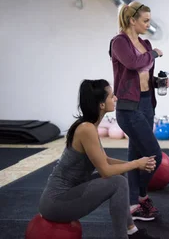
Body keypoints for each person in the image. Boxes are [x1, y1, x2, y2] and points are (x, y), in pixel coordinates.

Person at [38, 79, 158, 239]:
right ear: (101, 105)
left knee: (120, 176)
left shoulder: (88, 126)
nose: (116, 99)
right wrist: (136, 163)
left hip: (68, 195)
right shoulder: (86, 129)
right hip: (56, 203)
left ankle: (132, 232)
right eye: (111, 96)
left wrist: (138, 164)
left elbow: (105, 160)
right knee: (118, 181)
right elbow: (105, 170)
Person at [109, 1, 168, 221]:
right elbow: (133, 64)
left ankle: (133, 205)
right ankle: (142, 196)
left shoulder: (144, 42)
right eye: (145, 21)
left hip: (147, 103)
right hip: (128, 107)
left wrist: (158, 81)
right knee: (155, 156)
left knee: (135, 156)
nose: (148, 25)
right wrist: (153, 54)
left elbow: (142, 75)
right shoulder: (119, 42)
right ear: (132, 20)